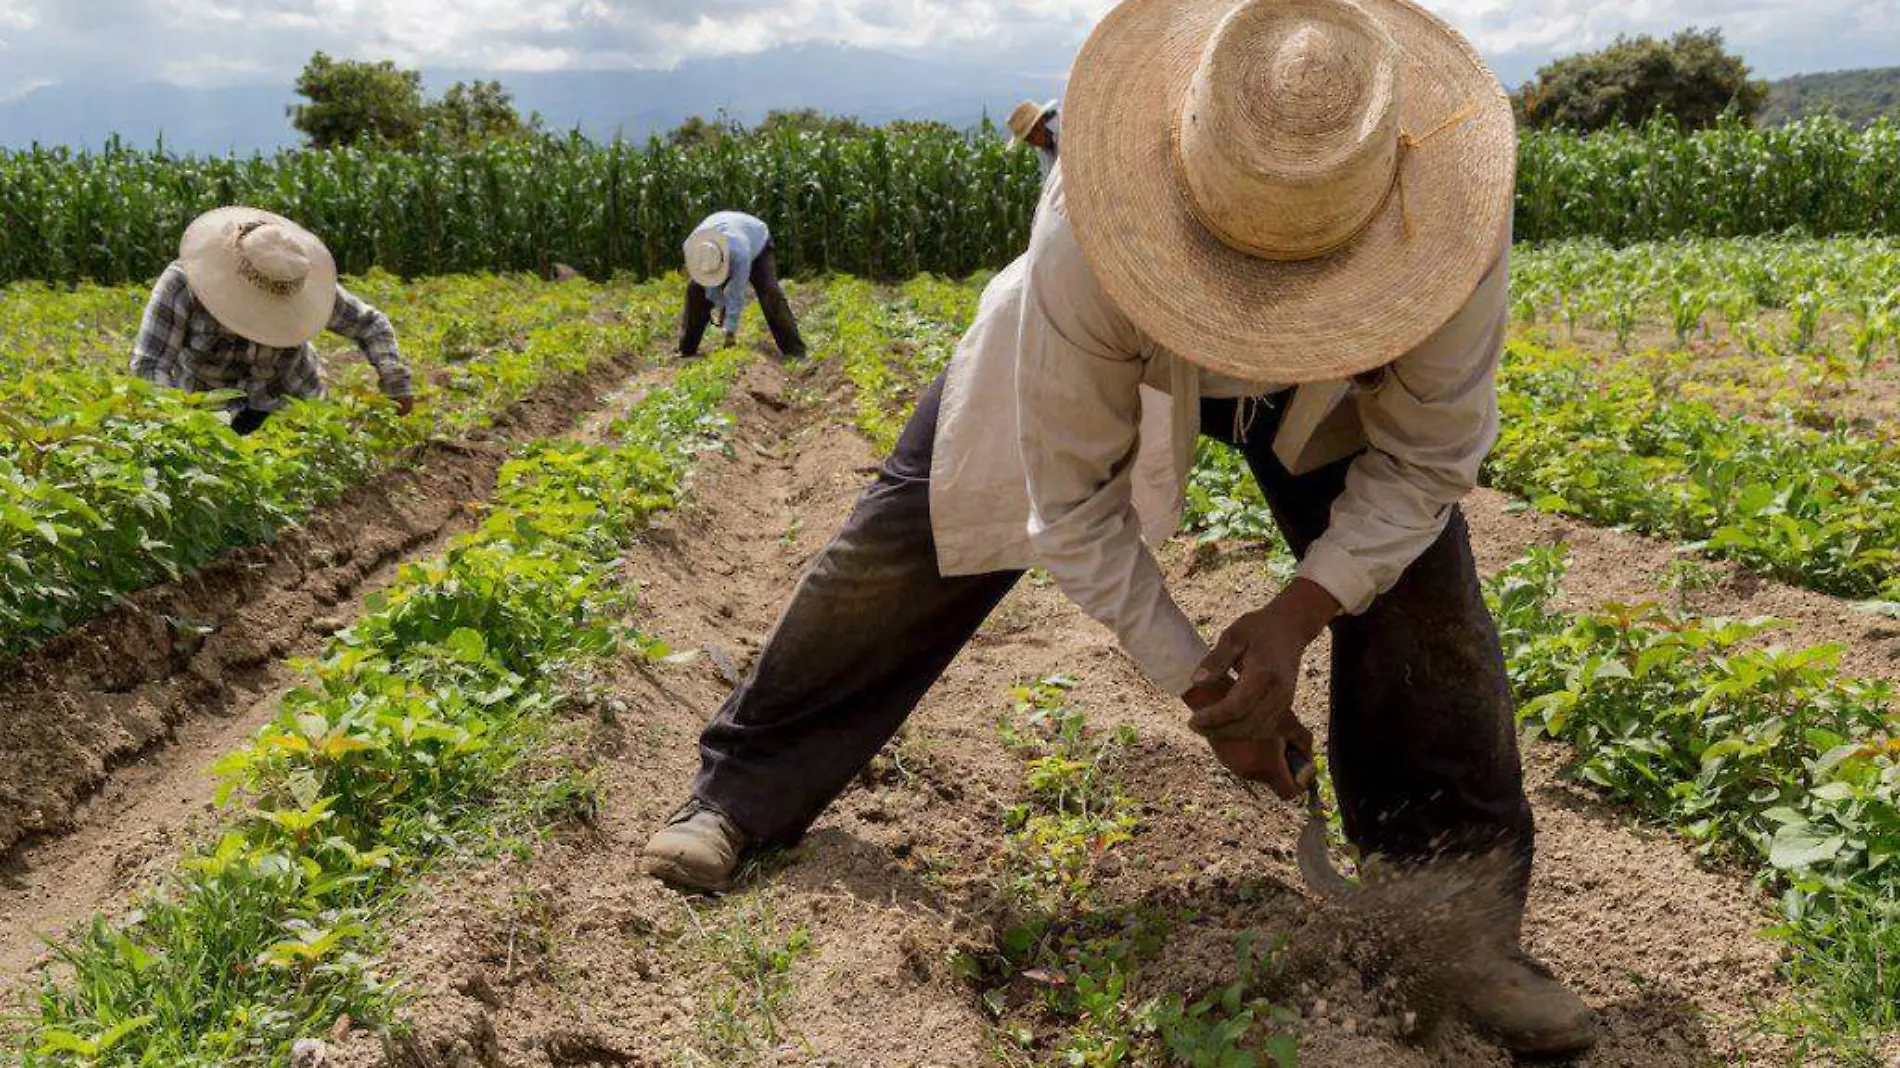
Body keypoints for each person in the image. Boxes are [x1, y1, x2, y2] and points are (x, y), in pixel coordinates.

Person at [644, 0, 1595, 1055]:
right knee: (906, 548)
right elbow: (1069, 505)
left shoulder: (1451, 220)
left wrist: (1295, 614)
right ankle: (739, 793)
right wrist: (1201, 682)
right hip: (1126, 353)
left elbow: (1424, 462)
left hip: (1337, 393)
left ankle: (1460, 932)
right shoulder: (1091, 235)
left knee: (1423, 604)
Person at [130, 207, 414, 435]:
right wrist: (174, 427)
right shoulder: (184, 284)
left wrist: (394, 379)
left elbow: (371, 324)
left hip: (292, 409)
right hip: (209, 418)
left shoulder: (294, 280)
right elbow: (150, 365)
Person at [680, 211, 808, 360]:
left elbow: (737, 292)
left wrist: (730, 329)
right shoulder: (692, 248)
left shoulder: (740, 253)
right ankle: (687, 349)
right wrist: (721, 304)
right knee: (695, 290)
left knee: (769, 291)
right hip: (725, 234)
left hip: (758, 242)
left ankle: (795, 351)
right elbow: (708, 285)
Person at [1007, 98, 1060, 178]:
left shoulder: (1067, 131)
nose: (1030, 144)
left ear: (1038, 126)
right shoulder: (1044, 151)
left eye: (1029, 138)